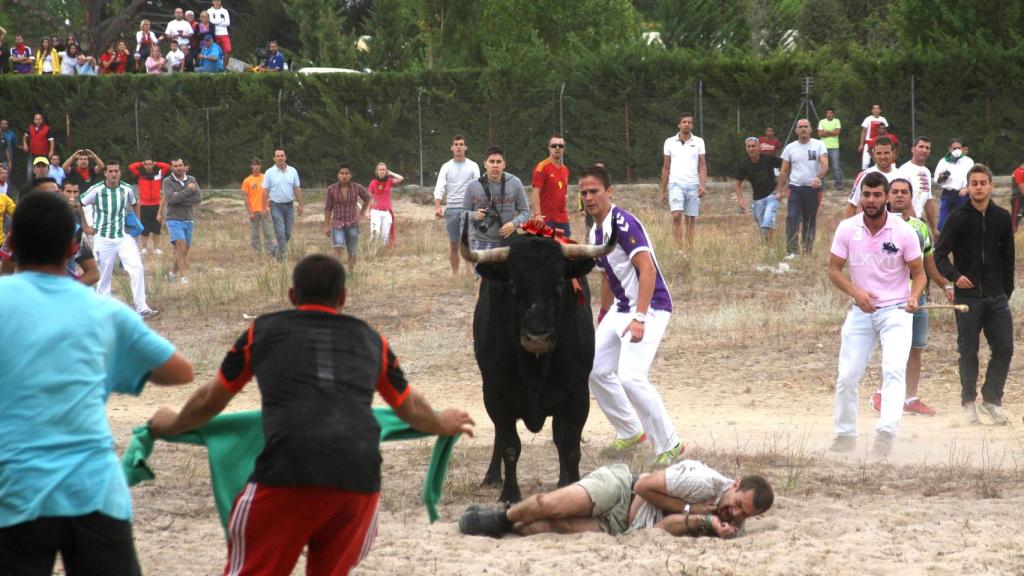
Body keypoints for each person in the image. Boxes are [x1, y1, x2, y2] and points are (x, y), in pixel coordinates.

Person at [148, 254, 475, 576]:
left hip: (286, 472)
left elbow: (209, 400)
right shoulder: (372, 340)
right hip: (358, 480)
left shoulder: (260, 332)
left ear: (292, 296)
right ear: (343, 298)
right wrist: (441, 422)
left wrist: (174, 424)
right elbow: (410, 407)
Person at [0, 192, 193, 574]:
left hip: (15, 490)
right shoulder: (106, 313)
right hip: (94, 491)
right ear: (74, 247)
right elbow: (180, 372)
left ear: (11, 244)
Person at [582, 165, 680, 465]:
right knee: (594, 369)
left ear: (609, 192)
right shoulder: (594, 230)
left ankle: (669, 445)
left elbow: (647, 269)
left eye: (594, 191)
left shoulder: (623, 224)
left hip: (650, 307)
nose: (588, 197)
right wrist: (603, 313)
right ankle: (631, 432)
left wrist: (639, 318)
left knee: (631, 378)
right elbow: (606, 275)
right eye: (584, 193)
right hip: (619, 309)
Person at [828, 172, 925, 457]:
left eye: (876, 195)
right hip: (861, 311)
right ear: (860, 196)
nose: (871, 200)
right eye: (866, 195)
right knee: (847, 376)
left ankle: (885, 433)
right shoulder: (847, 228)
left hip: (896, 311)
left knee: (893, 370)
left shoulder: (903, 230)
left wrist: (914, 296)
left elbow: (918, 274)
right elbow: (833, 269)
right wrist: (855, 292)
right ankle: (845, 434)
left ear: (886, 197)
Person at [460, 460, 773, 539]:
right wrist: (692, 508)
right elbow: (644, 486)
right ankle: (500, 517)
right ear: (736, 484)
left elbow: (664, 528)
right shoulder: (701, 480)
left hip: (623, 527)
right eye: (737, 503)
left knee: (540, 528)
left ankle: (510, 522)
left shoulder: (731, 526)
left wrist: (705, 522)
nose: (734, 512)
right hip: (622, 486)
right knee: (548, 505)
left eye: (744, 514)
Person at [934, 164, 1014, 426]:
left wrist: (1006, 290)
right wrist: (955, 277)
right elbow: (939, 254)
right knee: (968, 351)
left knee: (1004, 348)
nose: (979, 187)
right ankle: (969, 403)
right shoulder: (958, 217)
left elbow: (1008, 257)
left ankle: (991, 400)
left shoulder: (1002, 217)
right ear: (968, 186)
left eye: (983, 182)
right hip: (967, 299)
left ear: (991, 185)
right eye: (974, 183)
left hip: (996, 296)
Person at [865, 178, 950, 418]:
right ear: (887, 196)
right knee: (894, 349)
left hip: (917, 298)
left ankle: (909, 398)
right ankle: (881, 394)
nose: (899, 196)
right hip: (892, 300)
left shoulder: (919, 227)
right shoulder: (878, 226)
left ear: (911, 197)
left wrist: (944, 285)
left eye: (904, 192)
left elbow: (927, 264)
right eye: (895, 192)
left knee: (916, 348)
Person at [81, 161, 159, 317]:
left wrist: (136, 223)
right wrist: (85, 227)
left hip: (123, 236)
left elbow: (135, 203)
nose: (113, 174)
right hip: (103, 238)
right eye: (110, 171)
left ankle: (142, 307)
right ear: (105, 173)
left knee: (137, 268)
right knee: (104, 275)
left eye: (116, 171)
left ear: (120, 172)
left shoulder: (127, 189)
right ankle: (104, 309)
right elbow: (79, 203)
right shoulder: (96, 190)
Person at [776, 118, 828, 259]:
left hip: (813, 190)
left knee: (809, 221)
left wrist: (819, 177)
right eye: (801, 127)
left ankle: (807, 251)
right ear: (796, 130)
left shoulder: (819, 145)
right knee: (792, 218)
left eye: (806, 126)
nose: (803, 129)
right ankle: (792, 251)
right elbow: (784, 170)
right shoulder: (790, 148)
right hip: (795, 189)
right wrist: (779, 190)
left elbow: (824, 164)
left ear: (811, 129)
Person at [462, 146, 529, 252]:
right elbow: (462, 213)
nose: (495, 165)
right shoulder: (473, 186)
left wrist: (514, 223)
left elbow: (525, 212)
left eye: (499, 162)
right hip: (481, 242)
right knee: (481, 269)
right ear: (485, 164)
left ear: (504, 164)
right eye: (491, 161)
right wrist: (475, 215)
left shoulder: (515, 182)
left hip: (508, 241)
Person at [433, 134, 480, 274]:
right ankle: (454, 275)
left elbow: (478, 187)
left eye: (461, 144)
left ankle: (469, 273)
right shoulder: (446, 167)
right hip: (451, 210)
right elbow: (439, 187)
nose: (458, 147)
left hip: (467, 209)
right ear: (452, 148)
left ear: (465, 147)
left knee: (467, 242)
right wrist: (437, 207)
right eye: (456, 144)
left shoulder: (473, 166)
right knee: (454, 244)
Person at [660, 113, 707, 250]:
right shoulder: (669, 142)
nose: (687, 124)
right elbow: (666, 167)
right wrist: (663, 191)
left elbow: (702, 165)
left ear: (692, 125)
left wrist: (702, 185)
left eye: (689, 122)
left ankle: (689, 249)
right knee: (676, 215)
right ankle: (678, 249)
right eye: (684, 122)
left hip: (693, 184)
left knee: (690, 219)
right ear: (679, 124)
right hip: (675, 184)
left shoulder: (699, 141)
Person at [159, 158, 202, 285]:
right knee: (180, 245)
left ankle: (172, 273)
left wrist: (179, 197)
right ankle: (184, 278)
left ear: (184, 166)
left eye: (180, 165)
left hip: (189, 219)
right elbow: (171, 199)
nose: (179, 168)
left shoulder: (191, 180)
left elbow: (198, 199)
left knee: (183, 251)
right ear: (171, 168)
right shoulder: (167, 181)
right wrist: (188, 191)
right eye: (176, 166)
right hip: (173, 219)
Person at [735, 136, 783, 241]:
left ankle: (769, 241)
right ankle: (770, 246)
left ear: (759, 147)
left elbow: (785, 165)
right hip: (757, 199)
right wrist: (740, 199)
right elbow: (737, 184)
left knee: (767, 221)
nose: (751, 149)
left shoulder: (768, 159)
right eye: (749, 146)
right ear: (746, 148)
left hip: (772, 194)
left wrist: (781, 186)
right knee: (763, 228)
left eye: (754, 146)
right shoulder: (744, 164)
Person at [324, 163, 370, 270]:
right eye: (342, 173)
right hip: (337, 224)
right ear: (338, 175)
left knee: (352, 251)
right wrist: (326, 225)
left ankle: (351, 273)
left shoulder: (357, 188)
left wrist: (361, 214)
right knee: (338, 247)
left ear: (350, 175)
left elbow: (367, 198)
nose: (344, 175)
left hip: (352, 224)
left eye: (346, 173)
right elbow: (328, 208)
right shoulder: (331, 189)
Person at [843, 136, 900, 218]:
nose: (882, 157)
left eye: (886, 153)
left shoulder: (903, 175)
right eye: (879, 153)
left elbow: (909, 207)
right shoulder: (864, 175)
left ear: (893, 153)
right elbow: (852, 205)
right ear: (873, 154)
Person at [263, 148, 303, 260]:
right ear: (274, 158)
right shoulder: (269, 173)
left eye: (282, 155)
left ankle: (275, 250)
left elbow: (297, 188)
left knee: (287, 233)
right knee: (280, 232)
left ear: (285, 157)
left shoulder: (293, 171)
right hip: (275, 205)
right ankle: (282, 257)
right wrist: (263, 208)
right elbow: (265, 191)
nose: (280, 158)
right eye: (278, 156)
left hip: (289, 205)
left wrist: (300, 204)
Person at [128, 157, 171, 254]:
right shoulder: (140, 175)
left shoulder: (158, 174)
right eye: (146, 164)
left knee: (156, 228)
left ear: (152, 165)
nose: (148, 166)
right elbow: (131, 167)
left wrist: (156, 163)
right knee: (144, 228)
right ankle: (144, 248)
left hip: (156, 205)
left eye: (149, 164)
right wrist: (140, 163)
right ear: (144, 165)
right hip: (144, 205)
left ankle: (156, 248)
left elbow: (167, 167)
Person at [531, 135, 571, 237]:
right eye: (554, 145)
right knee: (546, 250)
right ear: (549, 148)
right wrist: (537, 214)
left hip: (563, 219)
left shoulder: (565, 169)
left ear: (564, 149)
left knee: (565, 249)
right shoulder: (542, 167)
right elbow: (535, 192)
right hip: (546, 219)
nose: (557, 148)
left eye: (560, 146)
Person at [899, 137, 939, 239]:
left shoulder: (926, 172)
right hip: (904, 222)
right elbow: (900, 201)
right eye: (921, 146)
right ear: (913, 149)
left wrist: (934, 229)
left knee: (928, 253)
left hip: (918, 221)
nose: (924, 150)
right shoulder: (904, 171)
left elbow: (928, 202)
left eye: (927, 148)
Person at [934, 139, 974, 231]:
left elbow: (972, 178)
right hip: (948, 194)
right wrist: (942, 177)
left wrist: (966, 189)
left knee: (964, 223)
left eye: (959, 148)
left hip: (962, 194)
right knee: (942, 224)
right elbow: (937, 179)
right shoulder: (943, 161)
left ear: (962, 149)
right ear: (949, 149)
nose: (957, 150)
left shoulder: (968, 161)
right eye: (954, 148)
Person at [366, 162, 404, 249]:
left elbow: (401, 178)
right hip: (375, 211)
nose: (382, 171)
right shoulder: (373, 182)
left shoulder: (389, 181)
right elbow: (370, 198)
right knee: (376, 231)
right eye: (380, 170)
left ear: (386, 171)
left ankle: (381, 250)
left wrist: (390, 173)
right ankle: (371, 248)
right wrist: (368, 211)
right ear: (377, 171)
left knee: (385, 235)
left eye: (384, 169)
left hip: (387, 212)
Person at [242, 157, 274, 255]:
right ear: (251, 166)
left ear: (260, 166)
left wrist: (269, 206)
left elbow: (271, 192)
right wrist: (250, 212)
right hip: (254, 211)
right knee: (254, 234)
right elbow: (246, 198)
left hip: (265, 210)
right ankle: (257, 254)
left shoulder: (266, 178)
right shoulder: (247, 181)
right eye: (254, 165)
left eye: (258, 165)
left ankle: (270, 253)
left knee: (268, 233)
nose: (256, 167)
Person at [21, 113, 54, 183]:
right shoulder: (30, 128)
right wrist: (25, 144)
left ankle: (44, 186)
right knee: (30, 171)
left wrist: (51, 151)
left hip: (44, 154)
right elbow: (25, 136)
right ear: (34, 120)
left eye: (39, 119)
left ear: (42, 120)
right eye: (36, 119)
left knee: (44, 171)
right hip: (32, 154)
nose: (38, 121)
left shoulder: (47, 129)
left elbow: (52, 141)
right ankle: (30, 187)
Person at [817, 108, 843, 188]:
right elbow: (820, 134)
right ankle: (821, 184)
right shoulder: (822, 121)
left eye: (831, 113)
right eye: (827, 113)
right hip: (823, 147)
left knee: (836, 167)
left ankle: (838, 185)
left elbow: (837, 132)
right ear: (826, 114)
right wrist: (832, 132)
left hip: (834, 147)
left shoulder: (837, 121)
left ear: (833, 114)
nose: (829, 114)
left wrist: (826, 131)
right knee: (823, 166)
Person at [858, 104, 888, 169]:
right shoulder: (868, 119)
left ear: (880, 110)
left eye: (877, 108)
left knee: (879, 160)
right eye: (874, 108)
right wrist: (861, 144)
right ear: (872, 110)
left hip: (879, 143)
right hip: (869, 142)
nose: (876, 110)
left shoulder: (883, 119)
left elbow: (885, 132)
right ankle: (864, 175)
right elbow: (864, 132)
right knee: (865, 162)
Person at [208, 0, 232, 67]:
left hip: (224, 33)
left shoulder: (225, 11)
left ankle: (224, 68)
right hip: (214, 34)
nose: (217, 2)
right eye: (215, 1)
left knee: (228, 50)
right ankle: (217, 67)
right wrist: (221, 21)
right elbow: (212, 21)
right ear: (212, 2)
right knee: (216, 52)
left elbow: (227, 23)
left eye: (218, 0)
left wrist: (217, 22)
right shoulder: (209, 11)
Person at [1012, 158, 1024, 233]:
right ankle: (1008, 240)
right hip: (1018, 199)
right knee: (1015, 220)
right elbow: (1022, 190)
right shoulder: (1019, 172)